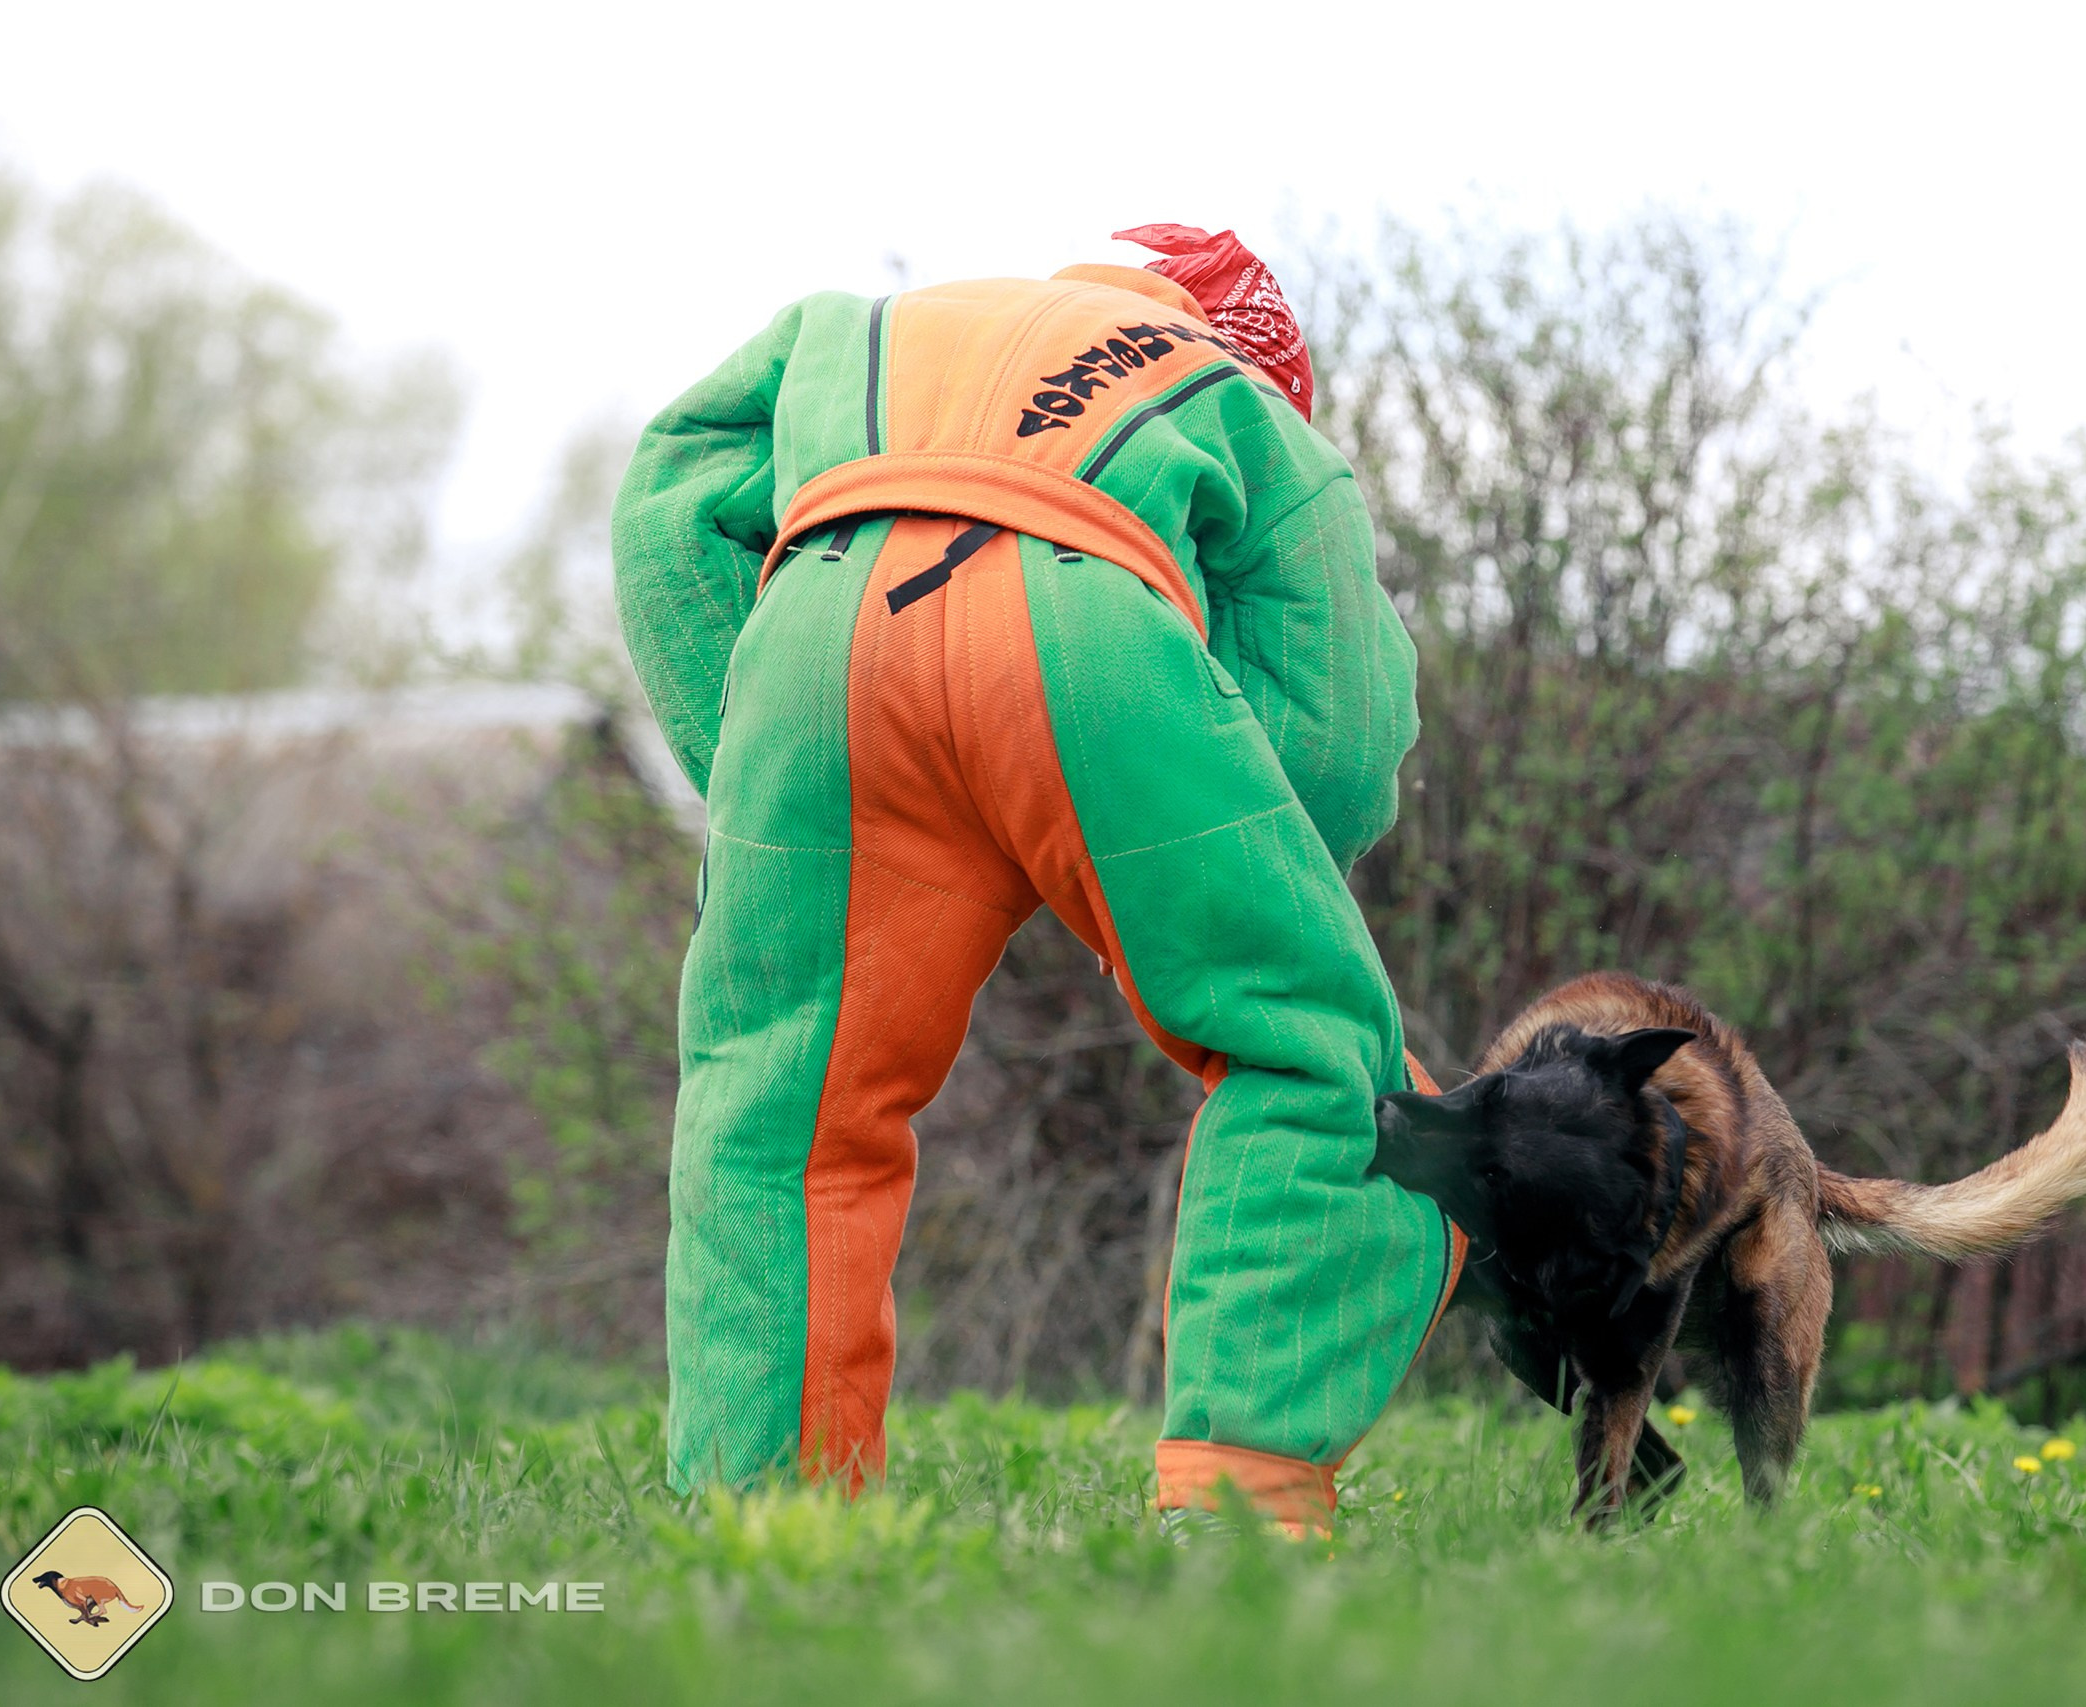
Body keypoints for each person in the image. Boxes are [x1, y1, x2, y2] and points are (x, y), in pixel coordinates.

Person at [612, 225, 1460, 1535]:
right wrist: (1230, 843)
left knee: (774, 1108)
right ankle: (1244, 1506)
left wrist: (752, 772)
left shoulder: (857, 327)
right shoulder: (1230, 391)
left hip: (819, 642)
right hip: (1088, 629)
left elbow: (674, 492)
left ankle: (764, 1521)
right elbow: (1341, 730)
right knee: (1312, 1057)